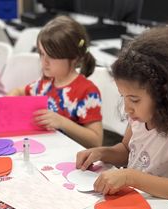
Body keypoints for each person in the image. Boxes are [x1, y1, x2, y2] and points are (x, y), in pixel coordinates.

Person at [76, 26, 168, 207]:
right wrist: (103, 153)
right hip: (133, 204)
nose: (127, 108)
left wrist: (130, 177)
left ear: (165, 92)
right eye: (123, 97)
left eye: (134, 100)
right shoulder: (141, 116)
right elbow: (127, 150)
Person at [9, 15, 103, 148]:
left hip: (70, 157)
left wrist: (62, 122)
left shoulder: (87, 91)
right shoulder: (46, 83)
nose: (44, 61)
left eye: (52, 56)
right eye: (41, 54)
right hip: (46, 149)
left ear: (74, 58)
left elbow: (96, 141)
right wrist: (10, 99)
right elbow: (19, 91)